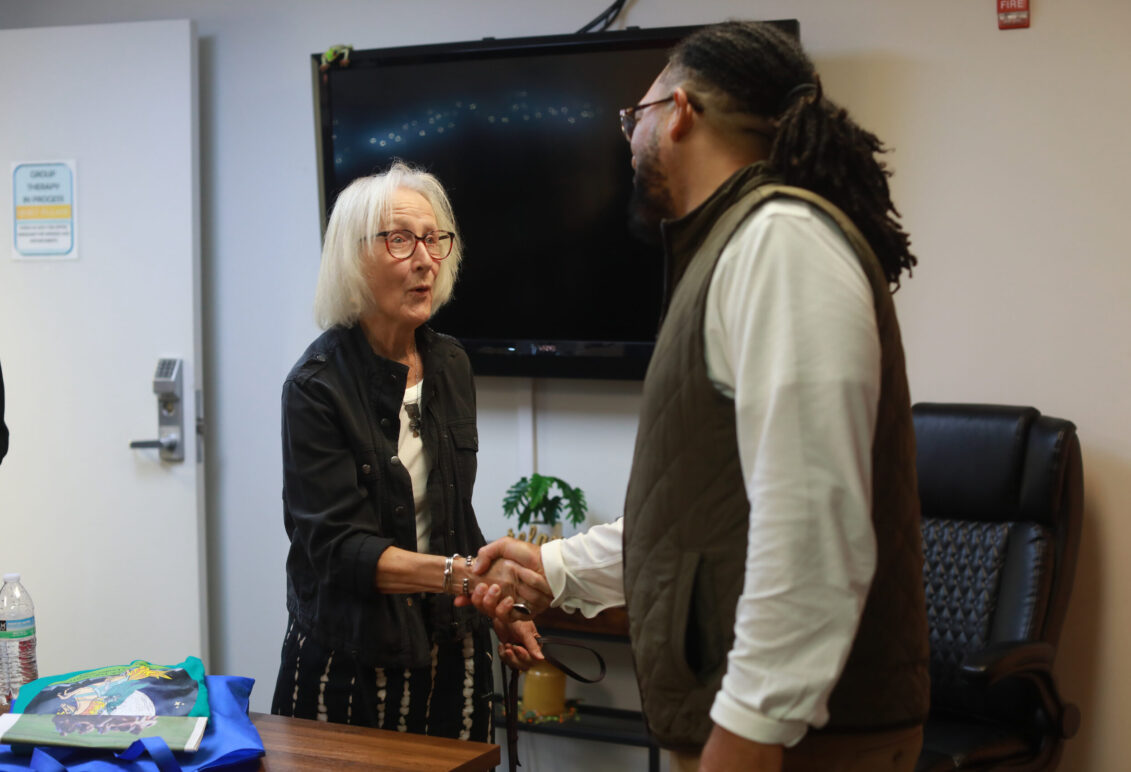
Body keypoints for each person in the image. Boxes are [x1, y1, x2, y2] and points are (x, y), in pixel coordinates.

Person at [469, 21, 929, 772]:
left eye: (633, 118)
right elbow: (701, 521)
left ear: (678, 112)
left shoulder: (780, 242)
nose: (627, 142)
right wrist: (552, 569)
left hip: (788, 744)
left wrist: (746, 732)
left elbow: (813, 529)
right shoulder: (735, 248)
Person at [271, 161, 543, 741]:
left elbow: (451, 514)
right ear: (353, 256)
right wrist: (464, 577)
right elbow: (337, 549)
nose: (424, 259)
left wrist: (498, 606)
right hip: (350, 664)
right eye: (400, 240)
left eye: (434, 239)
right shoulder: (315, 387)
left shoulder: (450, 363)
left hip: (451, 648)